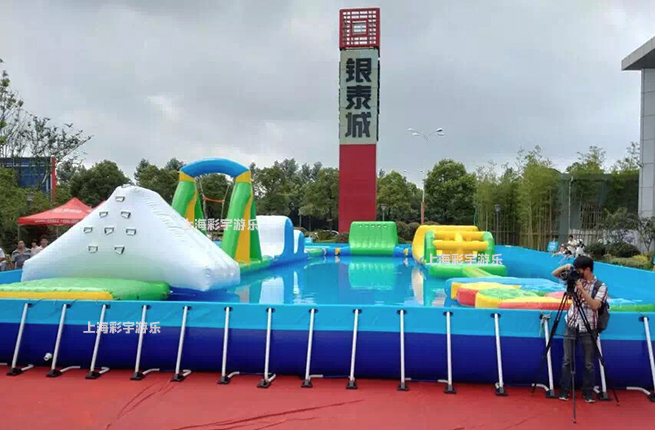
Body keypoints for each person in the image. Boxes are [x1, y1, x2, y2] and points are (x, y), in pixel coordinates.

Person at [552, 256, 608, 403]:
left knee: (589, 363)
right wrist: (567, 267)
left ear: (588, 269)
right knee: (567, 360)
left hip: (589, 326)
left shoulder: (600, 286)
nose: (577, 272)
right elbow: (554, 273)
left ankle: (588, 392)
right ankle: (564, 390)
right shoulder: (575, 278)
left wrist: (582, 290)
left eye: (579, 270)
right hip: (572, 323)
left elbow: (595, 305)